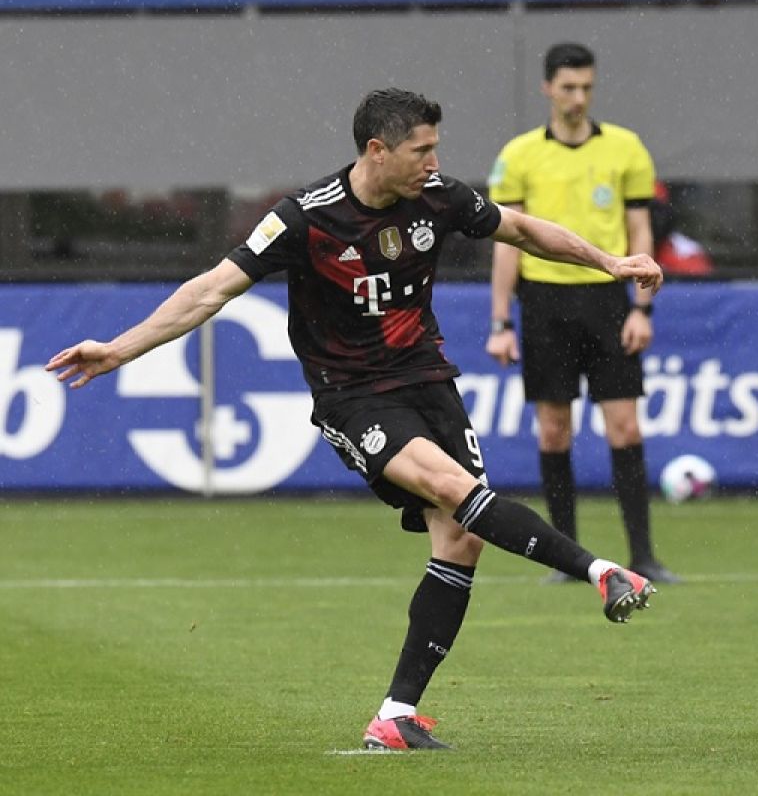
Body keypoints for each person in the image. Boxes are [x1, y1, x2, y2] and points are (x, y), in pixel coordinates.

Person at [45, 88, 662, 752]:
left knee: (461, 539)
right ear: (378, 151)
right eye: (421, 149)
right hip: (355, 396)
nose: (434, 160)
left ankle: (396, 715)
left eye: (435, 147)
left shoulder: (438, 198)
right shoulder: (304, 219)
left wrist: (607, 263)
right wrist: (119, 347)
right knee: (458, 493)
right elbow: (212, 289)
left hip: (428, 381)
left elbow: (522, 228)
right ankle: (600, 571)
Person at [485, 43, 680, 585]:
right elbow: (506, 243)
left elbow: (639, 230)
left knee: (624, 425)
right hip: (544, 301)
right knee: (553, 431)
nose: (578, 97)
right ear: (547, 88)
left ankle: (643, 555)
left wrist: (642, 306)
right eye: (568, 87)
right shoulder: (519, 155)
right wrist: (501, 321)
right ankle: (569, 561)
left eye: (586, 87)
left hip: (607, 300)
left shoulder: (625, 148)